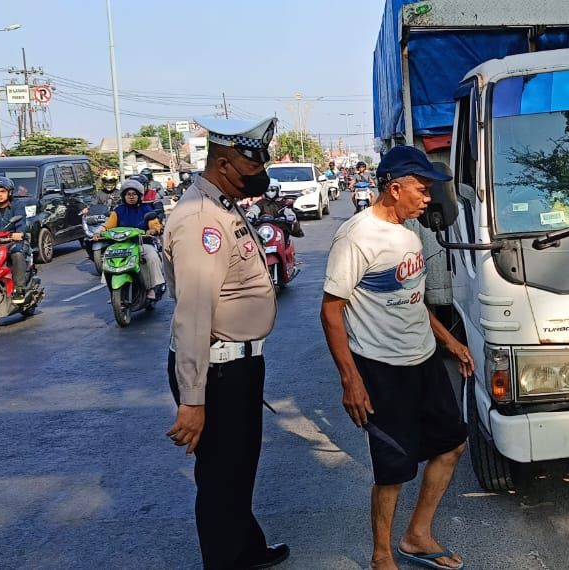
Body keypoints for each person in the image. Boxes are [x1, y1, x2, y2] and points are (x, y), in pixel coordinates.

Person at [320, 146, 474, 570]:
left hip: (423, 360)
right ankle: (382, 555)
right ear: (394, 188)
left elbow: (413, 299)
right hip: (381, 369)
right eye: (421, 190)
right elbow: (330, 312)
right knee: (393, 468)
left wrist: (448, 341)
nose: (428, 199)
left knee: (452, 444)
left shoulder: (408, 234)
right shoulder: (356, 237)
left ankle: (417, 534)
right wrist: (350, 380)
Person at [163, 115, 288, 570]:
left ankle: (245, 549)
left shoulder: (222, 205)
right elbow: (193, 315)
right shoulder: (201, 220)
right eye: (251, 165)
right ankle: (224, 560)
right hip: (217, 370)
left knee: (239, 467)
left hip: (236, 365)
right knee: (220, 478)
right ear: (222, 164)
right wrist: (193, 400)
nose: (259, 174)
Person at [104, 179, 167, 300]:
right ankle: (112, 288)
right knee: (108, 257)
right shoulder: (118, 211)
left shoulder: (146, 209)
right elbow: (108, 226)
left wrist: (153, 230)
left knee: (152, 257)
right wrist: (98, 233)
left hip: (142, 244)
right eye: (128, 194)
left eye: (134, 194)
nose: (131, 197)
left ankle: (152, 287)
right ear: (124, 196)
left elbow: (154, 223)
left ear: (139, 196)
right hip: (123, 245)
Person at [246, 180, 303, 245]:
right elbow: (254, 210)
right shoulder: (261, 202)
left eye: (273, 190)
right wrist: (250, 216)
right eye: (267, 190)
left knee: (287, 232)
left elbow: (288, 211)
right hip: (264, 229)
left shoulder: (283, 202)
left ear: (278, 190)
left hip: (281, 228)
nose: (270, 192)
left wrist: (290, 217)